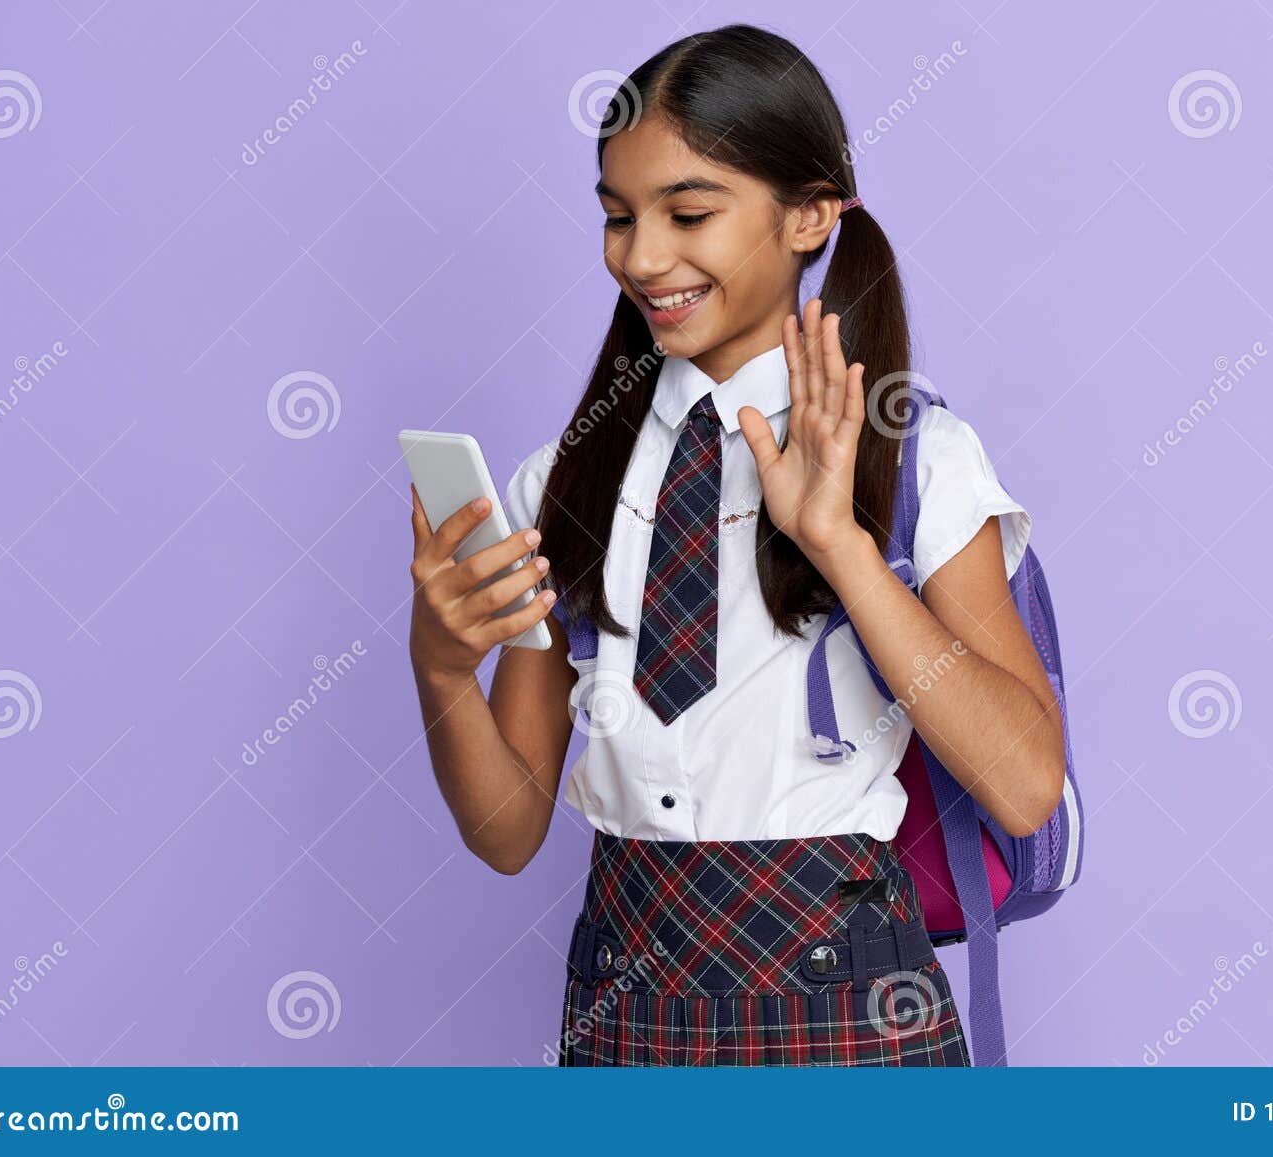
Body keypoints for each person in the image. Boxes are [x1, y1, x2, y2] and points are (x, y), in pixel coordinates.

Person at [407, 23, 1066, 1066]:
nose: (644, 255)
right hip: (622, 1012)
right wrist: (440, 662)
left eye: (690, 212)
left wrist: (840, 543)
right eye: (619, 218)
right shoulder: (562, 483)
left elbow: (1025, 781)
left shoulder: (917, 461)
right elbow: (506, 831)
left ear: (810, 215)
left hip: (853, 1012)